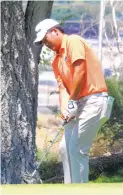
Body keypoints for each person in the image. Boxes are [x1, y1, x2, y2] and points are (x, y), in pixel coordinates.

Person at [34, 19, 109, 183]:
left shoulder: (73, 41)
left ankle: (79, 190)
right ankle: (70, 189)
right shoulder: (56, 61)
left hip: (93, 100)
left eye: (45, 39)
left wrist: (73, 100)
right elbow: (63, 89)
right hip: (76, 103)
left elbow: (80, 72)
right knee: (64, 148)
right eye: (42, 42)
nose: (45, 43)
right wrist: (65, 110)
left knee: (77, 149)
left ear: (54, 31)